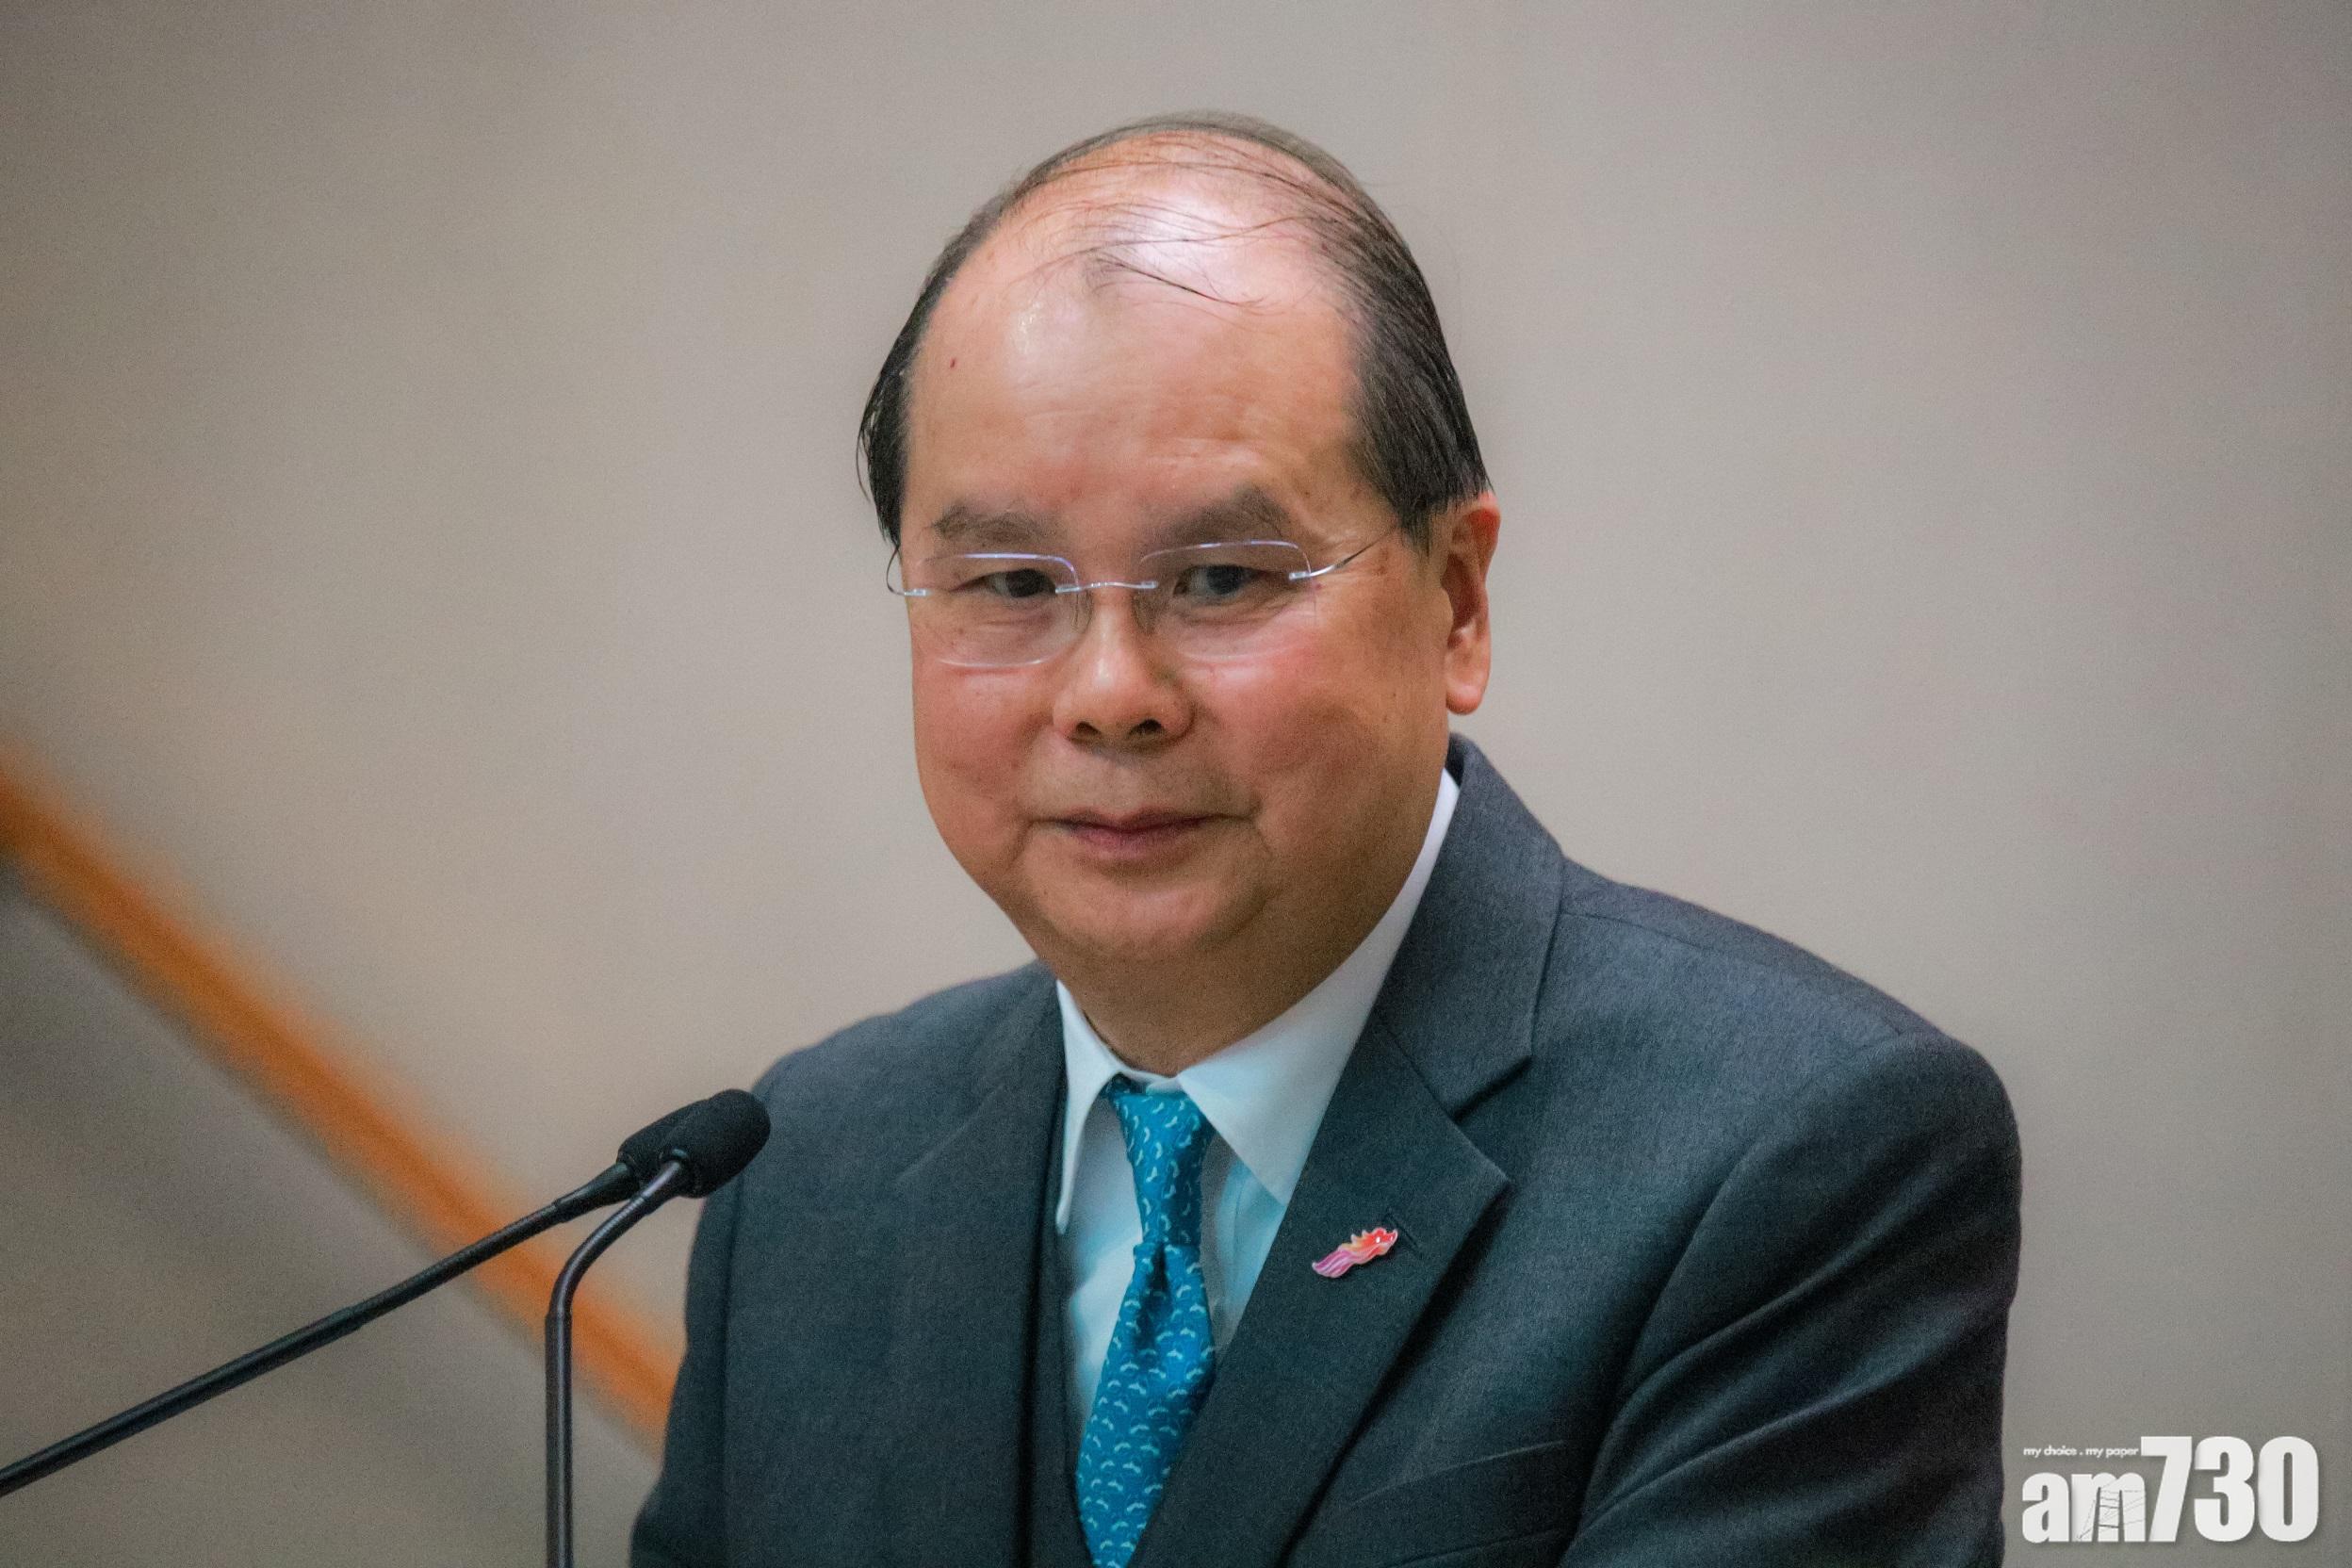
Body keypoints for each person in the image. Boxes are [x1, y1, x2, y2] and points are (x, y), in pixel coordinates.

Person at [633, 112, 2021, 1568]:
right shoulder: (809, 1166)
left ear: (1457, 601)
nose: (1109, 695)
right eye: (1013, 586)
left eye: (1223, 577)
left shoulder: (1793, 1153)